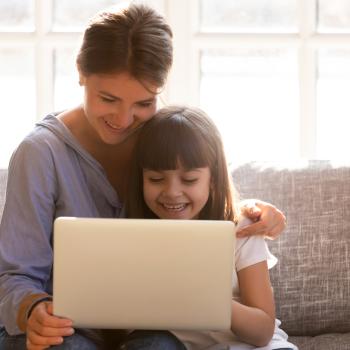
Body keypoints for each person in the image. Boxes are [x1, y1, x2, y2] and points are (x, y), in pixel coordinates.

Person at [0, 3, 285, 350]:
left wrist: (251, 210)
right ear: (80, 72)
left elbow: (202, 190)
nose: (123, 119)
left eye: (144, 103)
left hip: (148, 333)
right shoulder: (40, 153)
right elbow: (15, 277)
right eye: (108, 98)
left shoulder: (159, 136)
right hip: (68, 329)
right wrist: (33, 310)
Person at [125, 105, 297, 350]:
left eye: (189, 180)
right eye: (155, 179)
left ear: (213, 180)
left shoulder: (241, 230)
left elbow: (262, 332)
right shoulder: (128, 235)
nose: (172, 192)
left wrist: (209, 300)